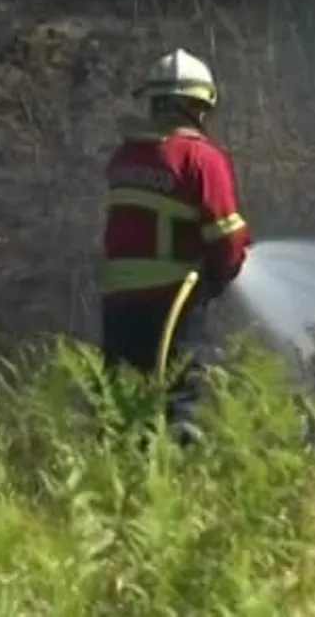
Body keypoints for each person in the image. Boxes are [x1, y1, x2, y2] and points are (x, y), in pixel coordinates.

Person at [100, 48, 252, 442]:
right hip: (173, 301)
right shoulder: (200, 158)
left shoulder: (125, 157)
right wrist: (222, 274)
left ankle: (118, 484)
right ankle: (182, 483)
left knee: (124, 402)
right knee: (182, 398)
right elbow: (227, 236)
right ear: (199, 107)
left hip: (117, 301)